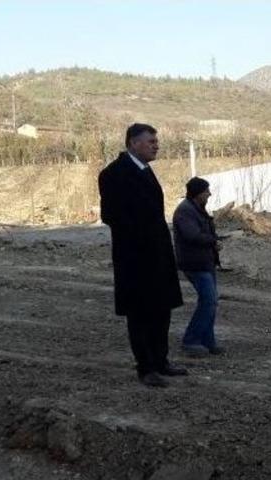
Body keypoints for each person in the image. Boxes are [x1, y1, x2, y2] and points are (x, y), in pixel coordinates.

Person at [98, 123, 186, 388]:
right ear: (133, 143)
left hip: (158, 255)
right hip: (135, 258)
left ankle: (161, 361)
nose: (156, 145)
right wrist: (141, 237)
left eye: (156, 141)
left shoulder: (146, 171)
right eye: (151, 141)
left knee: (161, 311)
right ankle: (146, 368)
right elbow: (110, 215)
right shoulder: (114, 174)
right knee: (140, 314)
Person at [172, 177, 224, 357]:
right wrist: (213, 241)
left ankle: (207, 340)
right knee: (209, 301)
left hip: (205, 261)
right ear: (198, 193)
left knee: (210, 302)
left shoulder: (196, 209)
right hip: (195, 264)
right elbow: (192, 236)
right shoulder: (185, 211)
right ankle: (191, 340)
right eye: (206, 191)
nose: (209, 194)